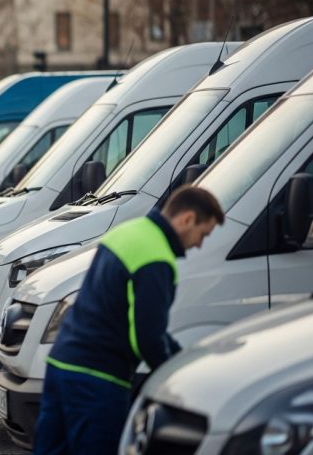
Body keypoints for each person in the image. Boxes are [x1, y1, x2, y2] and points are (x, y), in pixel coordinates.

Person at [33, 185, 224, 454]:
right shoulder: (157, 258)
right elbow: (147, 337)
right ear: (188, 219)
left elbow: (116, 311)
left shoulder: (128, 232)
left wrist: (180, 356)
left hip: (61, 363)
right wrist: (177, 378)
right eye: (203, 234)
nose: (198, 244)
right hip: (98, 379)